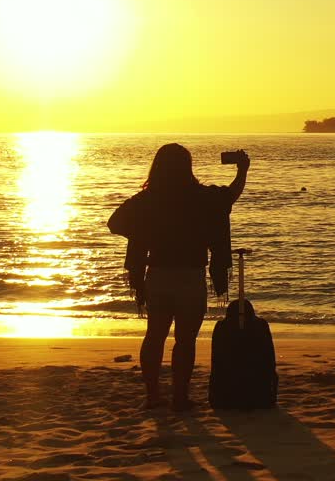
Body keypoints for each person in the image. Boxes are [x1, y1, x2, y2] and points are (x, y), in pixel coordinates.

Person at [107, 143, 249, 411]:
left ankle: (153, 397)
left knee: (154, 336)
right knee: (185, 340)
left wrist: (144, 234)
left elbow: (114, 223)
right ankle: (180, 398)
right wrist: (242, 170)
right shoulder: (201, 197)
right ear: (188, 166)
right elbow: (229, 197)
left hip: (157, 276)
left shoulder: (147, 199)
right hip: (190, 277)